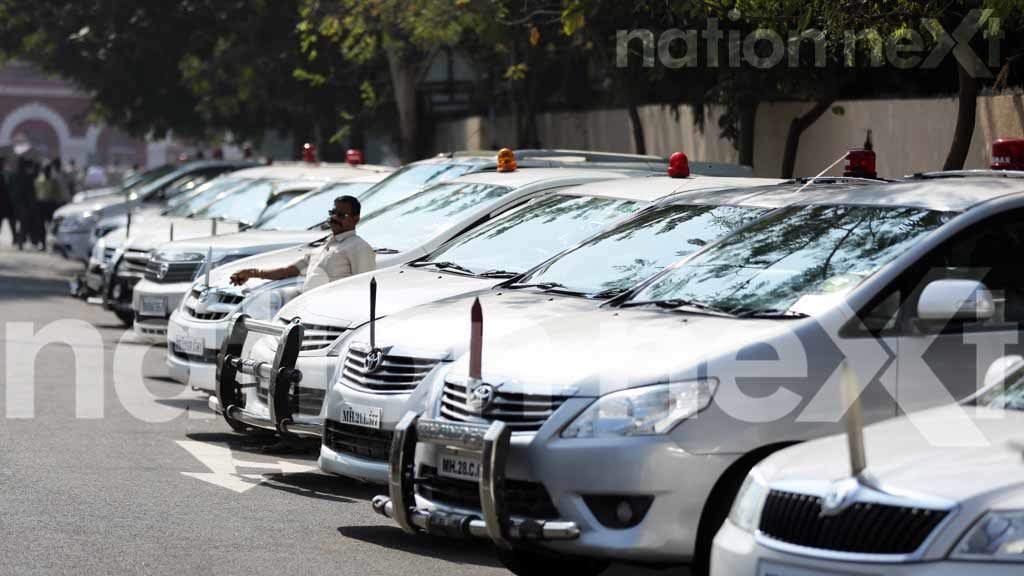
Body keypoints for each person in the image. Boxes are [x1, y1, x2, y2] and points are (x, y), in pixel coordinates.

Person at [230, 195, 375, 292]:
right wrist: (251, 273)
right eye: (332, 212)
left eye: (341, 215)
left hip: (335, 320)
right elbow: (287, 271)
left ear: (355, 220)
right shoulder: (323, 247)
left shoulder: (359, 247)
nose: (334, 217)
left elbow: (364, 290)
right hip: (308, 315)